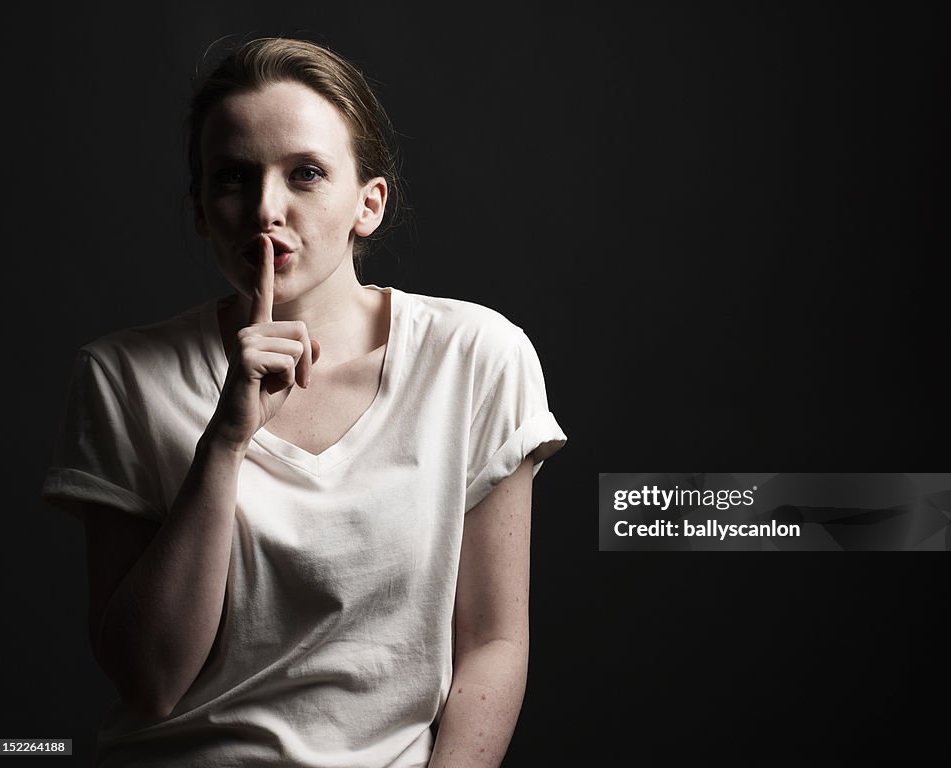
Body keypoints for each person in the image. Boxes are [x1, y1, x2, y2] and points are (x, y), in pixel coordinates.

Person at [41, 36, 566, 768]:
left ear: (368, 203)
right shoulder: (122, 375)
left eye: (306, 174)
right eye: (232, 179)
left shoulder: (476, 357)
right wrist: (224, 442)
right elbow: (149, 680)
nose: (266, 209)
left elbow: (494, 644)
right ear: (200, 211)